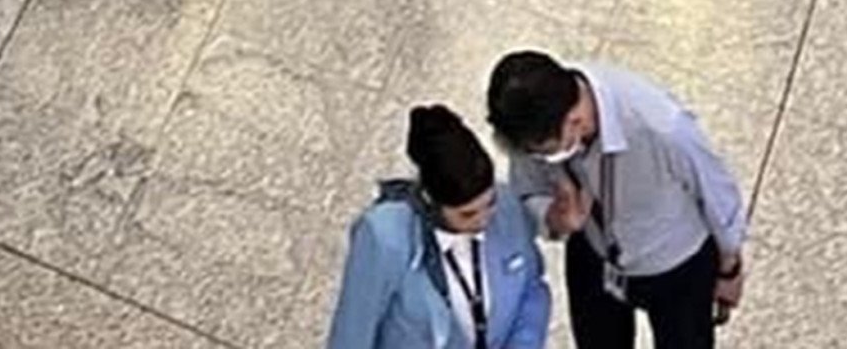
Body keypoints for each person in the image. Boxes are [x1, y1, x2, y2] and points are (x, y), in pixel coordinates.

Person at [480, 50, 750, 349]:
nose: (541, 159)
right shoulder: (534, 121)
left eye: (547, 151)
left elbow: (717, 193)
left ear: (576, 121)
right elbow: (528, 189)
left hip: (675, 265)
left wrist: (729, 268)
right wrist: (554, 218)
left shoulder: (660, 127)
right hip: (594, 252)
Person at [321, 104, 554, 349]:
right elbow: (353, 334)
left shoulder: (507, 206)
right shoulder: (383, 236)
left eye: (490, 203)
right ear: (430, 201)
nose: (484, 220)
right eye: (468, 214)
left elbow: (532, 288)